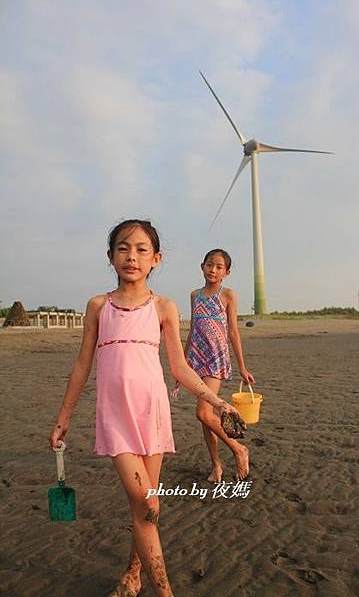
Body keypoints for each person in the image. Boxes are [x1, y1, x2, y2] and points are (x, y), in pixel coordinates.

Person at [49, 220, 245, 597]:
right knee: (148, 503)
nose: (131, 256)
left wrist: (219, 402)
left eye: (141, 249)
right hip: (116, 418)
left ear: (156, 258)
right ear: (110, 257)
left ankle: (132, 576)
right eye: (123, 248)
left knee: (144, 511)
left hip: (153, 415)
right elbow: (81, 366)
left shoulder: (164, 307)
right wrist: (63, 418)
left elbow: (180, 368)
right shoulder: (97, 306)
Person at [184, 248, 255, 484]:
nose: (213, 270)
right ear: (202, 266)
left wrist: (243, 368)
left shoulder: (228, 295)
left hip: (216, 357)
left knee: (203, 411)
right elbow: (193, 328)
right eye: (209, 265)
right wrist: (183, 361)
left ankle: (238, 449)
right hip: (197, 358)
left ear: (226, 272)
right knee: (207, 416)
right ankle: (216, 465)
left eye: (218, 267)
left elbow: (233, 332)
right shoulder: (195, 295)